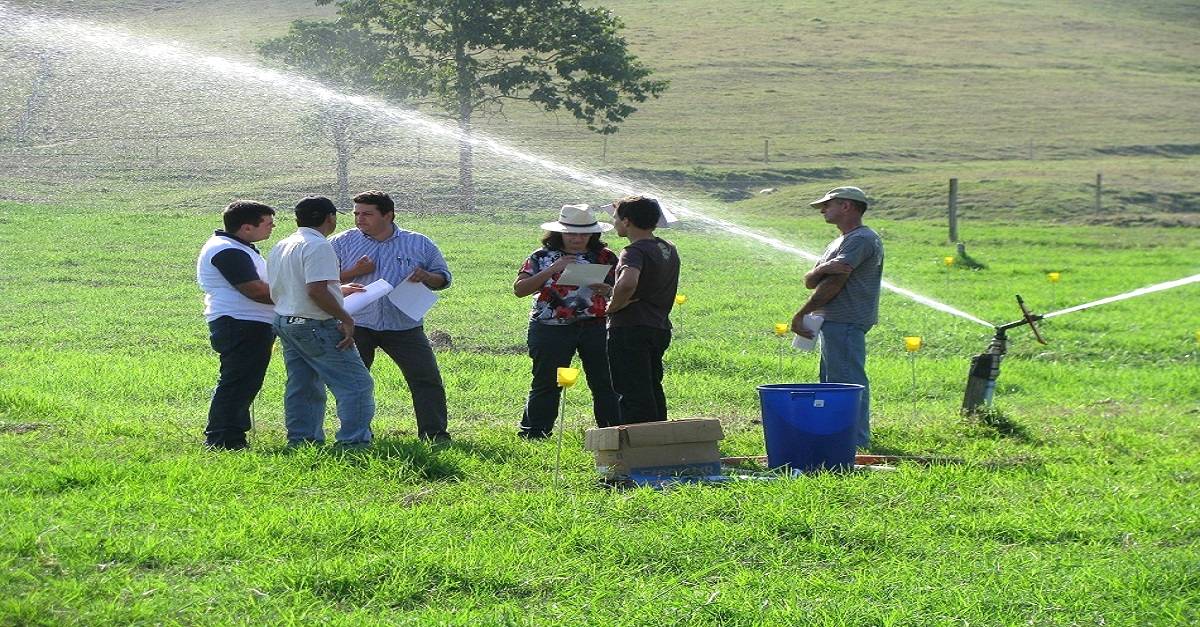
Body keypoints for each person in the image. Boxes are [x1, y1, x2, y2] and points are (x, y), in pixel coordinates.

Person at [330, 190, 452, 443]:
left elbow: (443, 278)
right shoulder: (342, 242)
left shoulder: (419, 243)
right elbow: (323, 281)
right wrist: (355, 271)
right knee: (354, 383)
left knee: (426, 379)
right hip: (357, 323)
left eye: (367, 214)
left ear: (389, 215)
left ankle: (435, 434)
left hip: (404, 325)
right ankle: (357, 436)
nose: (359, 219)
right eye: (356, 214)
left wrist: (428, 277)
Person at [267, 196, 375, 447]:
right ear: (330, 218)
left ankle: (302, 441)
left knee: (303, 384)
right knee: (356, 384)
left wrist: (338, 290)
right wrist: (345, 317)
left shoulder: (283, 244)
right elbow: (316, 290)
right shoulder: (319, 246)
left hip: (286, 320)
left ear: (298, 219)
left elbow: (298, 285)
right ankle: (353, 444)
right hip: (316, 324)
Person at [513, 204, 620, 439]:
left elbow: (619, 291)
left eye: (584, 233)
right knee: (546, 381)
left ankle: (612, 432)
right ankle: (535, 433)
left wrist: (607, 290)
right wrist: (553, 269)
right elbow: (520, 290)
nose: (578, 238)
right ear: (560, 232)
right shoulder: (540, 257)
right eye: (572, 233)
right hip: (550, 328)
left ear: (593, 234)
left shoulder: (606, 257)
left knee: (605, 381)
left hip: (597, 325)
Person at [791, 186, 884, 449]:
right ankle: (841, 437)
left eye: (827, 204)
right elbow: (811, 281)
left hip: (845, 319)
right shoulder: (841, 241)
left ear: (847, 206)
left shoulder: (861, 239)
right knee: (833, 380)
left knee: (846, 383)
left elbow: (834, 281)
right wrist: (821, 268)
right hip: (834, 321)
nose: (822, 209)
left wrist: (803, 313)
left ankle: (854, 442)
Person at [196, 200, 277, 450]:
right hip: (240, 323)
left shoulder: (238, 247)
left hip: (246, 323)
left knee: (243, 382)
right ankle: (222, 439)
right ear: (247, 227)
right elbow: (255, 291)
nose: (272, 227)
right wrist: (299, 297)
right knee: (238, 382)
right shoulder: (228, 250)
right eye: (267, 223)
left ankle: (229, 437)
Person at [606, 196, 681, 424]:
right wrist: (612, 291)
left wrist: (613, 305)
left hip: (630, 328)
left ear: (627, 221)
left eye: (616, 218)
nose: (615, 223)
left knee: (632, 391)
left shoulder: (633, 251)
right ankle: (659, 440)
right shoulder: (668, 248)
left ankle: (638, 446)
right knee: (651, 386)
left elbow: (629, 282)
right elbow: (651, 285)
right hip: (658, 327)